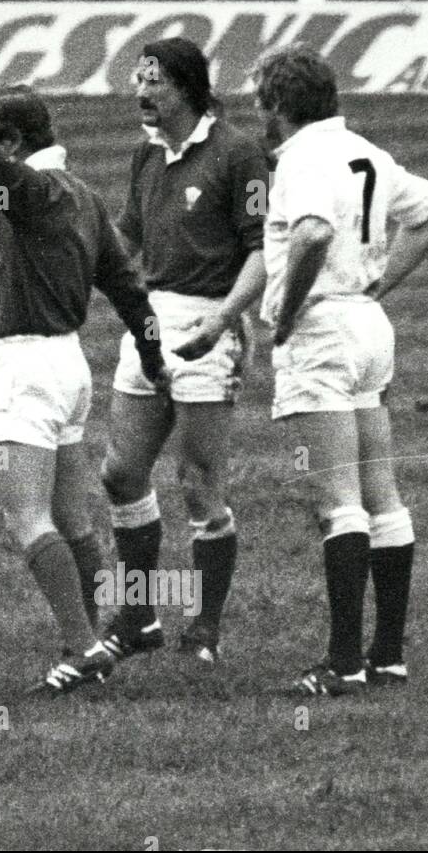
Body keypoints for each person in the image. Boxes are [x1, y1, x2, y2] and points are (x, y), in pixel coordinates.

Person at [0, 49, 171, 695]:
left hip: (26, 368)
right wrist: (155, 355)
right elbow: (129, 288)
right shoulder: (82, 194)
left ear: (14, 140)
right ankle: (96, 636)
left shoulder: (35, 191)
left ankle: (82, 647)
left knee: (27, 520)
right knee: (72, 519)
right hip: (70, 367)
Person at [253, 45, 428, 696]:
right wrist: (376, 286)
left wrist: (285, 313)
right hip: (366, 325)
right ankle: (387, 654)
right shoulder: (367, 150)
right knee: (381, 492)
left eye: (261, 100)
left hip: (322, 331)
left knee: (339, 501)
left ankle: (343, 663)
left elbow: (308, 233)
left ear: (280, 104)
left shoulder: (302, 158)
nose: (258, 112)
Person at [98, 38, 269, 668]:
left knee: (199, 485)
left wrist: (225, 322)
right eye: (139, 81)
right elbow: (127, 237)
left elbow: (261, 250)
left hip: (209, 320)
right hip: (150, 320)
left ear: (189, 89)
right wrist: (76, 254)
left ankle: (205, 628)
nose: (142, 93)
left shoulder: (240, 152)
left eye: (155, 83)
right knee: (120, 473)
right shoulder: (145, 154)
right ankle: (138, 616)